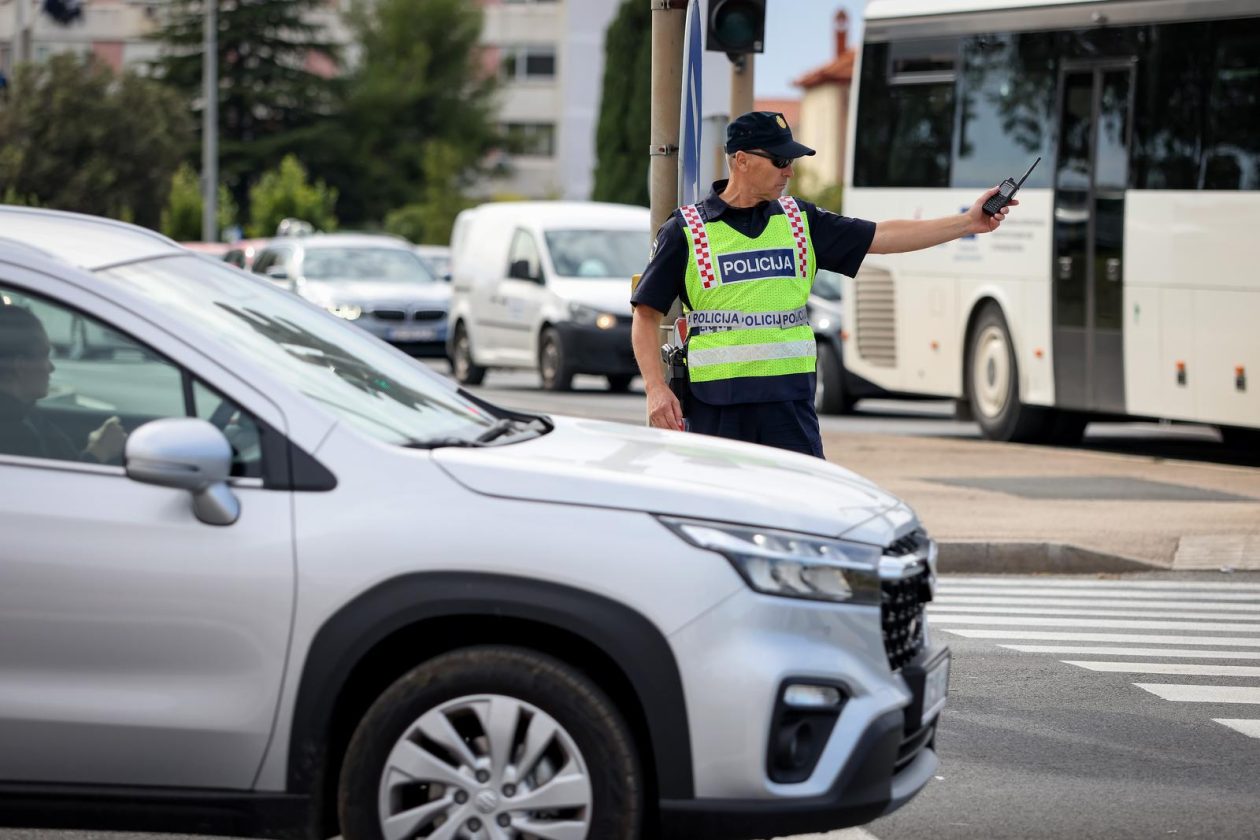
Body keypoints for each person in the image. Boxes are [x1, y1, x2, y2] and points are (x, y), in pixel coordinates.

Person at [631, 110, 1019, 458]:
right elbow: (646, 314)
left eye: (792, 161)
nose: (790, 171)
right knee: (719, 520)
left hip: (790, 407)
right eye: (781, 160)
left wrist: (967, 223)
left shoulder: (801, 220)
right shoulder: (687, 230)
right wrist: (654, 388)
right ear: (742, 161)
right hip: (717, 408)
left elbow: (882, 236)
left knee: (802, 515)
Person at [0, 305, 125, 462]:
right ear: (21, 365)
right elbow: (56, 485)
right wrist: (98, 451)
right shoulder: (13, 434)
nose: (51, 368)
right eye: (45, 356)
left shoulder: (26, 416)